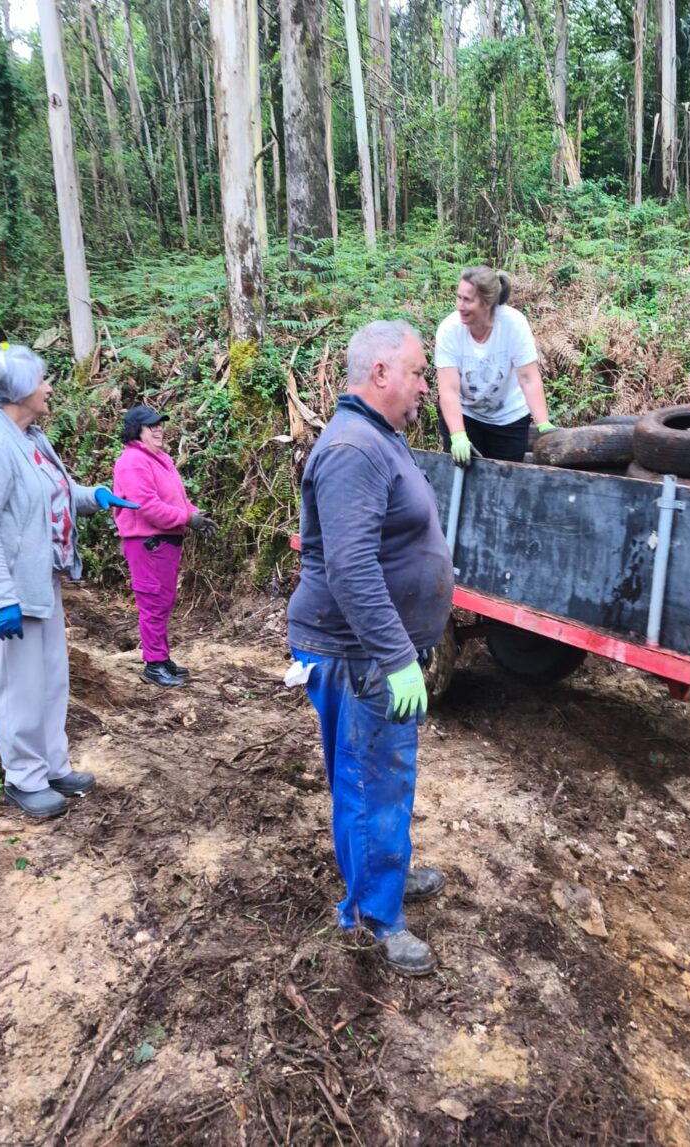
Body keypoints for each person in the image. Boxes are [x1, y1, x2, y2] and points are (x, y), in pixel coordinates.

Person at [286, 320, 454, 976]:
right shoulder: (355, 448)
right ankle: (374, 917)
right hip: (356, 655)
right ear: (379, 372)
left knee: (372, 776)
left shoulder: (377, 437)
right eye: (416, 373)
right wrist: (395, 656)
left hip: (365, 650)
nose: (423, 387)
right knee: (372, 779)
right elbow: (352, 566)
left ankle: (383, 876)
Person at [0, 343, 138, 819]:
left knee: (50, 678)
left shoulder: (31, 437)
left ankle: (52, 765)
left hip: (43, 577)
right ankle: (23, 778)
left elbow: (51, 493)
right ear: (19, 388)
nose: (49, 388)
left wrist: (94, 496)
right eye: (42, 380)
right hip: (12, 588)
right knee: (19, 685)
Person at [112, 406, 217, 688]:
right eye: (151, 426)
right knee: (153, 601)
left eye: (160, 424)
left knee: (163, 600)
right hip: (148, 541)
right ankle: (154, 665)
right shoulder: (133, 461)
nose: (158, 429)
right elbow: (147, 506)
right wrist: (186, 518)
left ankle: (161, 657)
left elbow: (174, 499)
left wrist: (195, 514)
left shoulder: (159, 458)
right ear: (137, 431)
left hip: (164, 540)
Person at [435, 265, 553, 464]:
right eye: (459, 297)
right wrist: (457, 435)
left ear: (487, 303)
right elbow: (448, 389)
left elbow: (528, 379)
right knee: (463, 482)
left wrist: (544, 425)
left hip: (509, 418)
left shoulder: (513, 324)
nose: (460, 306)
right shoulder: (449, 330)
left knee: (503, 483)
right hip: (465, 414)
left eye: (468, 300)